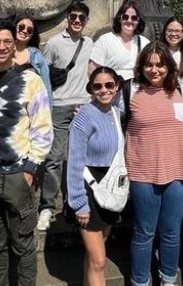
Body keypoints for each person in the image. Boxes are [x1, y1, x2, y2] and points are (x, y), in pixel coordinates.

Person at [0, 19, 53, 286]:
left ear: (15, 44)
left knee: (23, 245)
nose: (2, 46)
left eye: (7, 41)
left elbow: (42, 128)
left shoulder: (31, 80)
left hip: (17, 174)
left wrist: (30, 170)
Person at [123, 41, 183, 286]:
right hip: (143, 174)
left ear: (169, 66)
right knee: (144, 233)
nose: (155, 70)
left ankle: (168, 279)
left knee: (172, 233)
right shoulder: (131, 92)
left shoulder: (178, 90)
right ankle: (140, 281)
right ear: (141, 67)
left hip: (177, 172)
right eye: (149, 65)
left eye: (160, 65)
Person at [37, 1, 94, 231]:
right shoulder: (53, 43)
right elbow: (43, 71)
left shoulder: (90, 43)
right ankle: (47, 207)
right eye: (73, 17)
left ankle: (75, 203)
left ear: (86, 20)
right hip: (59, 106)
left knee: (78, 160)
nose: (77, 21)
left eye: (81, 17)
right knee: (54, 159)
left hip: (83, 106)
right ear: (67, 19)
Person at [66, 67, 124, 286]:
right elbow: (74, 162)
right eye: (98, 86)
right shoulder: (83, 117)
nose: (104, 90)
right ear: (91, 88)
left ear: (117, 86)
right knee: (99, 259)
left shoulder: (116, 113)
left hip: (109, 188)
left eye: (109, 85)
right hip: (88, 188)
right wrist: (79, 203)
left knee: (94, 258)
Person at [0, 12, 52, 104]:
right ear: (14, 27)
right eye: (21, 27)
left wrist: (47, 115)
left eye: (29, 30)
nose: (25, 31)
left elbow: (46, 90)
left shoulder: (36, 56)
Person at [88, 0, 150, 82]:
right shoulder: (105, 40)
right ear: (120, 19)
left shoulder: (145, 43)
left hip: (137, 92)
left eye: (134, 18)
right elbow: (92, 70)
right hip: (113, 92)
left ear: (138, 21)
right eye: (125, 17)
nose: (129, 20)